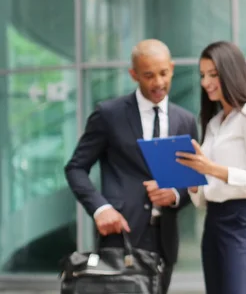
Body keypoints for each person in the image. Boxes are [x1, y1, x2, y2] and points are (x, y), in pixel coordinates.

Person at [64, 39, 199, 293]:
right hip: (120, 235)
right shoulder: (108, 114)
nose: (158, 83)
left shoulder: (185, 120)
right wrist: (101, 209)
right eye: (148, 75)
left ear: (171, 68)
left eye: (163, 73)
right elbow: (75, 168)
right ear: (133, 74)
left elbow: (190, 182)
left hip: (164, 240)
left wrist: (173, 195)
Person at [175, 41, 246, 294]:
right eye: (202, 75)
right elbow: (204, 194)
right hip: (213, 221)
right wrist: (193, 179)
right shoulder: (215, 123)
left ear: (230, 73)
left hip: (243, 221)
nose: (205, 82)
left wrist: (211, 169)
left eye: (213, 74)